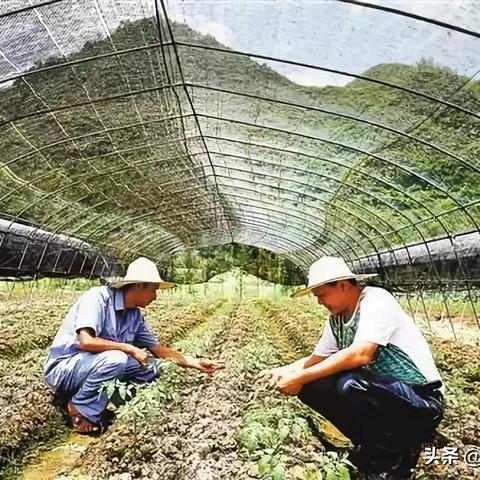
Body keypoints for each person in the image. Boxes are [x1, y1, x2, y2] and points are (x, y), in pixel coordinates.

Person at [259, 256, 444, 479]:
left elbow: (361, 354)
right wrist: (285, 371)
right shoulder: (336, 319)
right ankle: (370, 447)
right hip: (385, 397)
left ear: (343, 285)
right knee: (311, 385)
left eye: (321, 294)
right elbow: (318, 358)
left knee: (351, 385)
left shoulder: (376, 300)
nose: (319, 302)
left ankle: (392, 466)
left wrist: (300, 376)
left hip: (421, 401)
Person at [44, 257, 224, 434]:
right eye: (153, 289)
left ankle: (127, 403)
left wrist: (195, 363)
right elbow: (86, 341)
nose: (155, 297)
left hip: (97, 367)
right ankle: (79, 407)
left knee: (156, 367)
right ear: (139, 285)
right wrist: (129, 348)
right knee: (118, 358)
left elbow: (157, 349)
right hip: (65, 370)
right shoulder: (97, 298)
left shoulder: (134, 315)